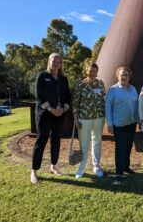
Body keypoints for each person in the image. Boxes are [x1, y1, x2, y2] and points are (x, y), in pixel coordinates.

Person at [31, 53, 71, 184]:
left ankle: (53, 166)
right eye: (54, 61)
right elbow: (39, 95)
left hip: (60, 114)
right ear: (49, 61)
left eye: (58, 62)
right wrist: (51, 109)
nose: (56, 64)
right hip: (45, 114)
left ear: (61, 64)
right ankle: (34, 171)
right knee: (41, 140)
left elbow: (67, 97)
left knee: (56, 140)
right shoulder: (42, 76)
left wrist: (64, 109)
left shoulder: (63, 79)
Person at [105, 67, 139, 184]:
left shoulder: (133, 89)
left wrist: (138, 119)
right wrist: (109, 124)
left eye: (126, 75)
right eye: (122, 75)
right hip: (119, 124)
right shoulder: (113, 90)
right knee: (120, 148)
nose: (124, 77)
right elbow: (108, 107)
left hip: (131, 122)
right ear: (117, 76)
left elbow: (136, 104)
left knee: (129, 146)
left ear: (129, 77)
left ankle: (126, 167)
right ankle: (119, 173)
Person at [73, 62, 105, 179]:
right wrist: (76, 120)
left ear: (97, 72)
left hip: (98, 118)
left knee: (97, 141)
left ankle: (96, 166)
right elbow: (75, 104)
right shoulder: (80, 85)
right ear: (86, 71)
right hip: (84, 119)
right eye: (90, 71)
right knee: (84, 143)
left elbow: (103, 98)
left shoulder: (100, 83)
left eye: (94, 71)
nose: (92, 73)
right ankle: (81, 168)